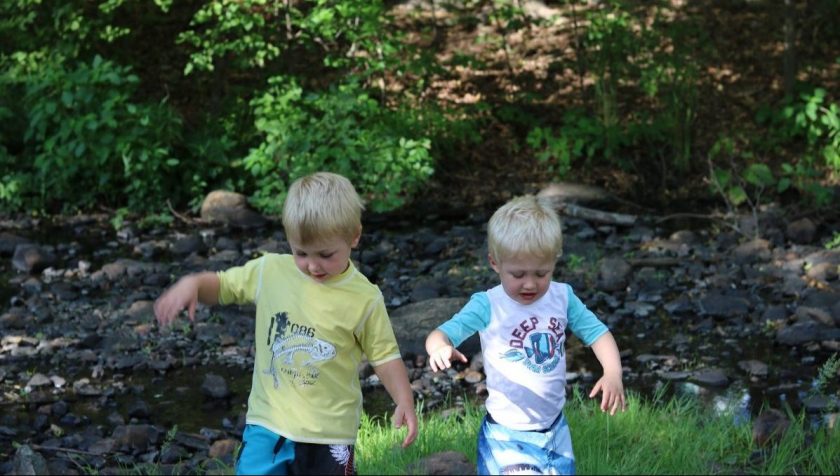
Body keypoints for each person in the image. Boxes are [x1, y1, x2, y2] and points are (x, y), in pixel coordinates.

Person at [154, 172, 417, 475]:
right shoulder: (271, 271)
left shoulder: (365, 298)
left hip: (330, 434)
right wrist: (195, 284)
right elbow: (225, 286)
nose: (313, 265)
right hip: (269, 422)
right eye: (300, 253)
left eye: (326, 254)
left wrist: (404, 399)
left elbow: (384, 356)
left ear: (354, 236)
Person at [425, 194, 625, 475]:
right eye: (517, 274)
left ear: (554, 261)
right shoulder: (488, 304)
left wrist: (612, 372)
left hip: (555, 428)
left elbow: (598, 334)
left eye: (541, 273)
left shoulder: (562, 297)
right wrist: (440, 348)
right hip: (507, 434)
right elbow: (439, 334)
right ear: (495, 262)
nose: (530, 284)